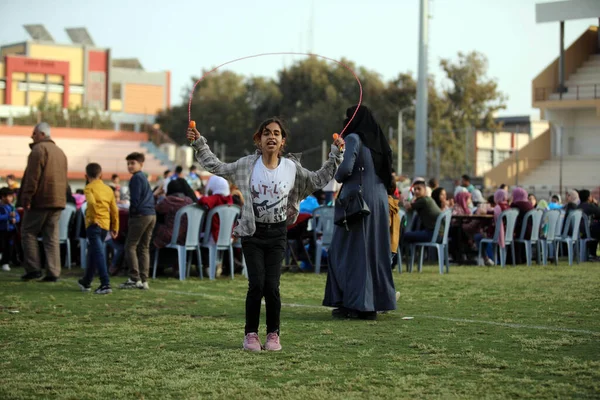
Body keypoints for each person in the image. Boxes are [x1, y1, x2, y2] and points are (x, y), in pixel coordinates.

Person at [187, 115, 343, 352]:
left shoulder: (292, 169)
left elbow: (319, 179)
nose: (271, 136)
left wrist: (336, 154)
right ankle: (250, 334)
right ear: (258, 140)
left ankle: (273, 334)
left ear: (283, 142)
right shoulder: (246, 165)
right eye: (266, 133)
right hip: (252, 231)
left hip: (278, 232)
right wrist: (199, 143)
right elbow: (216, 166)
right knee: (256, 284)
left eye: (276, 133)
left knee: (272, 286)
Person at [323, 105, 396, 321]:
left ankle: (356, 304)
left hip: (358, 204)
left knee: (346, 252)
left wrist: (337, 153)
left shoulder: (354, 138)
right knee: (375, 252)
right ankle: (374, 303)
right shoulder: (380, 144)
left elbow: (343, 172)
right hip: (380, 202)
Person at [19, 122, 68, 282]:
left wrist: (27, 198)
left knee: (28, 232)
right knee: (51, 237)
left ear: (41, 134)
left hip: (41, 199)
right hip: (58, 200)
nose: (31, 136)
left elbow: (32, 178)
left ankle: (33, 269)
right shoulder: (60, 152)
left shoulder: (38, 150)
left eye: (33, 133)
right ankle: (53, 272)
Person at [77, 163, 119, 294]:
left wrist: (94, 218)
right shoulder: (108, 189)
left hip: (93, 223)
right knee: (93, 251)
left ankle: (105, 283)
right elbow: (114, 210)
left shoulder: (89, 188)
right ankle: (87, 281)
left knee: (98, 252)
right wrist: (115, 226)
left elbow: (91, 203)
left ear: (86, 176)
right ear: (101, 175)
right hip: (105, 225)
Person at [119, 152, 156, 290]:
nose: (130, 166)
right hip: (151, 214)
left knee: (130, 246)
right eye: (128, 163)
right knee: (144, 247)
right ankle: (144, 280)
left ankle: (135, 278)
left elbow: (134, 200)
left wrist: (132, 214)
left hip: (141, 215)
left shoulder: (135, 178)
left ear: (141, 164)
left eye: (132, 163)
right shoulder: (144, 177)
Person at [0, 188, 20, 271]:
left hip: (11, 231)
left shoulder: (12, 207)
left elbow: (17, 216)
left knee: (9, 247)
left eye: (12, 197)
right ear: (2, 197)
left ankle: (5, 263)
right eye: (9, 196)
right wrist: (8, 216)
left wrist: (15, 219)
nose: (11, 199)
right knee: (2, 245)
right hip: (1, 230)